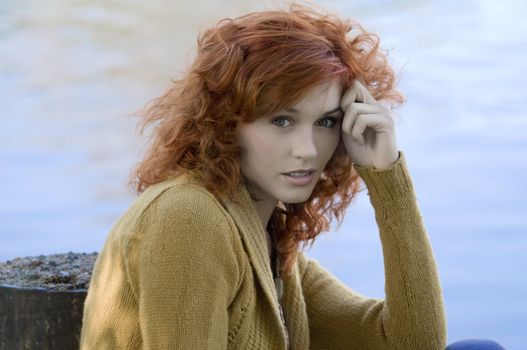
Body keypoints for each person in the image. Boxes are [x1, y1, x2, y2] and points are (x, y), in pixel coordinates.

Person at [79, 2, 505, 349]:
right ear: (227, 123)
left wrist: (386, 175)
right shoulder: (188, 216)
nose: (308, 149)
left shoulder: (270, 242)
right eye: (282, 121)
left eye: (326, 122)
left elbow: (413, 342)